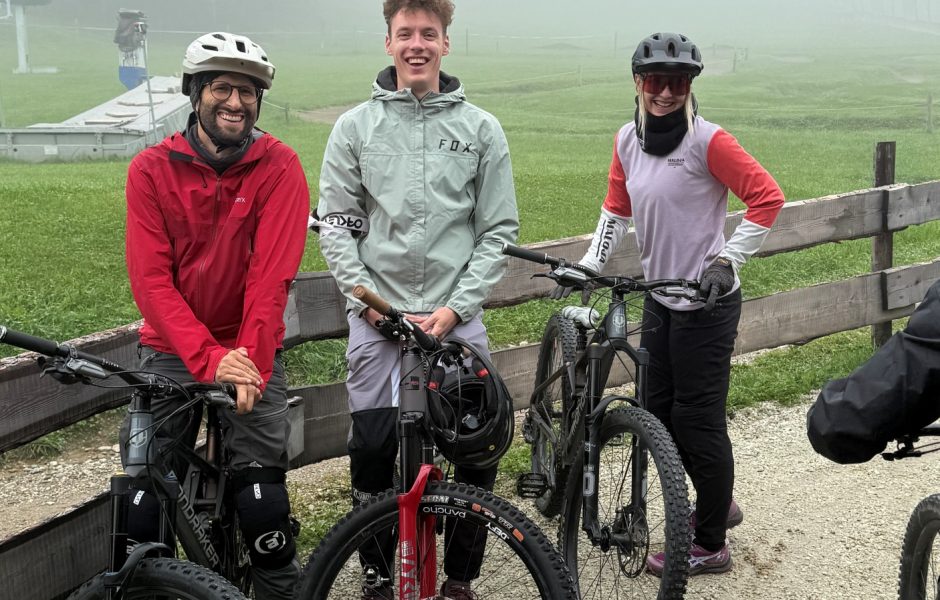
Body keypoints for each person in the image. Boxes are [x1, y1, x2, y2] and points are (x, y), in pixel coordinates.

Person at [557, 32, 784, 576]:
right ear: (638, 83)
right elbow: (615, 210)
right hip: (659, 297)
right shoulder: (626, 141)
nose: (665, 93)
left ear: (689, 87)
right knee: (657, 412)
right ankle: (715, 496)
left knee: (697, 420)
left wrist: (726, 260)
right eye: (655, 81)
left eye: (677, 83)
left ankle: (710, 543)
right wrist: (591, 261)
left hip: (707, 303)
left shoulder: (709, 142)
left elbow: (766, 198)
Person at [315, 1, 518, 598]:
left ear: (445, 44)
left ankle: (459, 579)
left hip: (455, 318)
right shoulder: (355, 128)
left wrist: (457, 308)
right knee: (374, 448)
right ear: (389, 43)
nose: (417, 45)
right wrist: (370, 306)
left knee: (478, 446)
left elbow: (496, 230)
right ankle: (380, 576)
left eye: (428, 33)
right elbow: (337, 226)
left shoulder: (481, 129)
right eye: (405, 34)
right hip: (379, 317)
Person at [122, 31, 309, 599]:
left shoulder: (280, 166)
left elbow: (270, 277)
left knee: (264, 509)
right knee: (141, 503)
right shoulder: (151, 170)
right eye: (222, 88)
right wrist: (208, 358)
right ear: (195, 93)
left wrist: (246, 360)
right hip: (172, 350)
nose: (236, 102)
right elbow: (152, 283)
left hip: (250, 347)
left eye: (248, 92)